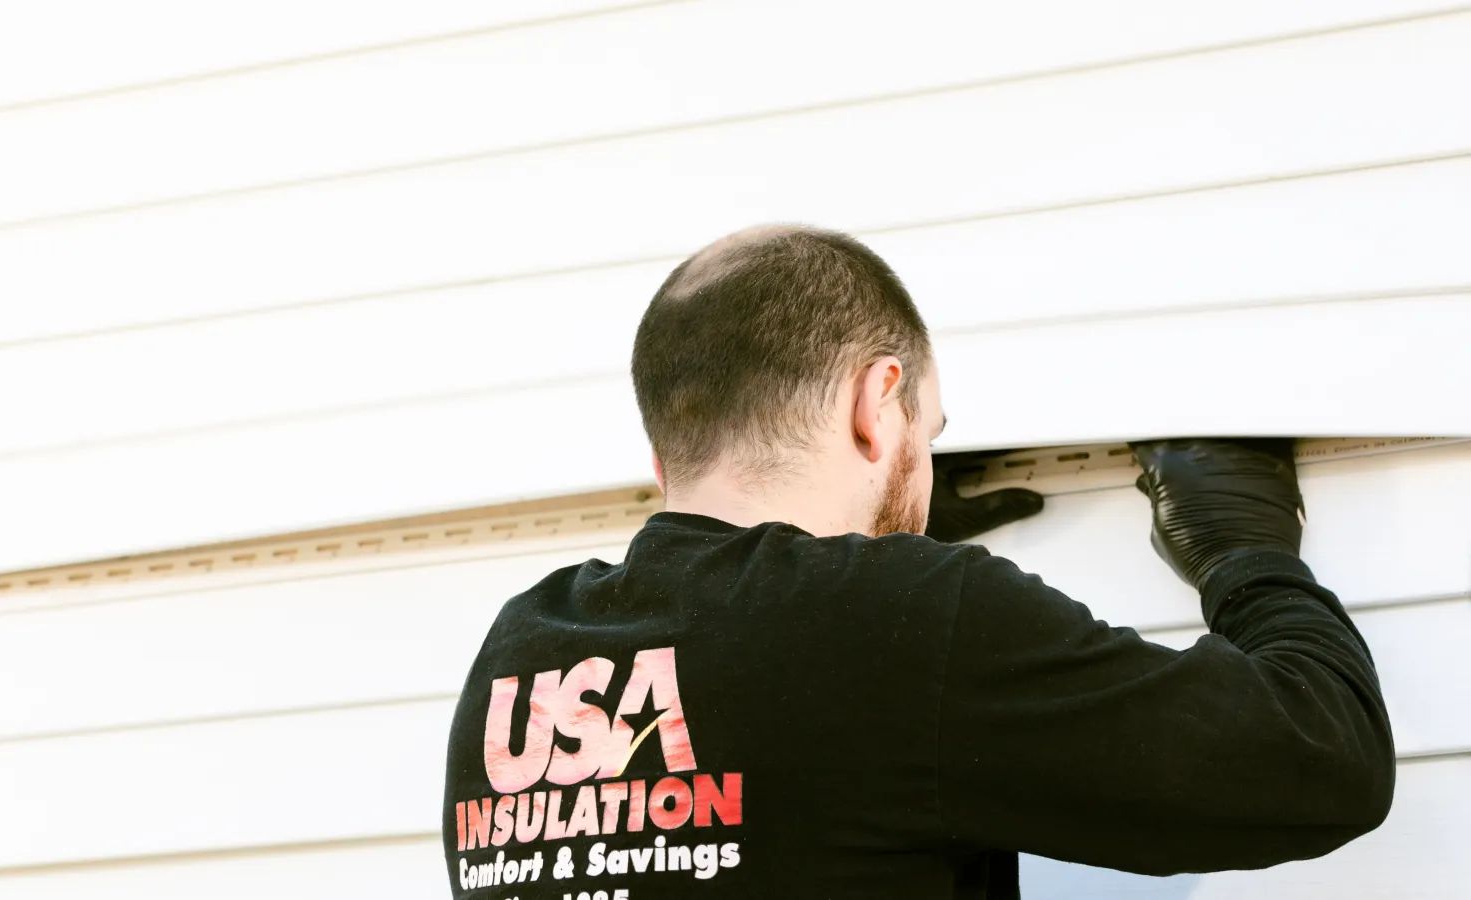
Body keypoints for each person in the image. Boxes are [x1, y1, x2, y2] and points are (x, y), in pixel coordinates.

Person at [441, 225, 1394, 899]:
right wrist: (1246, 553)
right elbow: (1324, 757)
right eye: (925, 433)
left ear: (661, 459)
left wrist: (894, 533)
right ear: (874, 404)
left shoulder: (519, 659)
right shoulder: (900, 625)